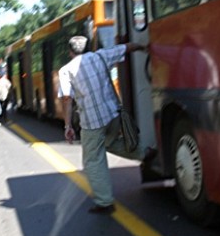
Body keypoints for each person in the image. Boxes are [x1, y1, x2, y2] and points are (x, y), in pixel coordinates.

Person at [58, 36, 157, 214]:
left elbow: (67, 99)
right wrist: (144, 47)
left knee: (93, 160)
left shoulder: (66, 71)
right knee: (109, 143)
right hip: (113, 114)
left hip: (92, 122)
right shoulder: (101, 56)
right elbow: (127, 47)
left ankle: (104, 202)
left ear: (70, 51)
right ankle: (145, 152)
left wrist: (68, 126)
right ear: (89, 47)